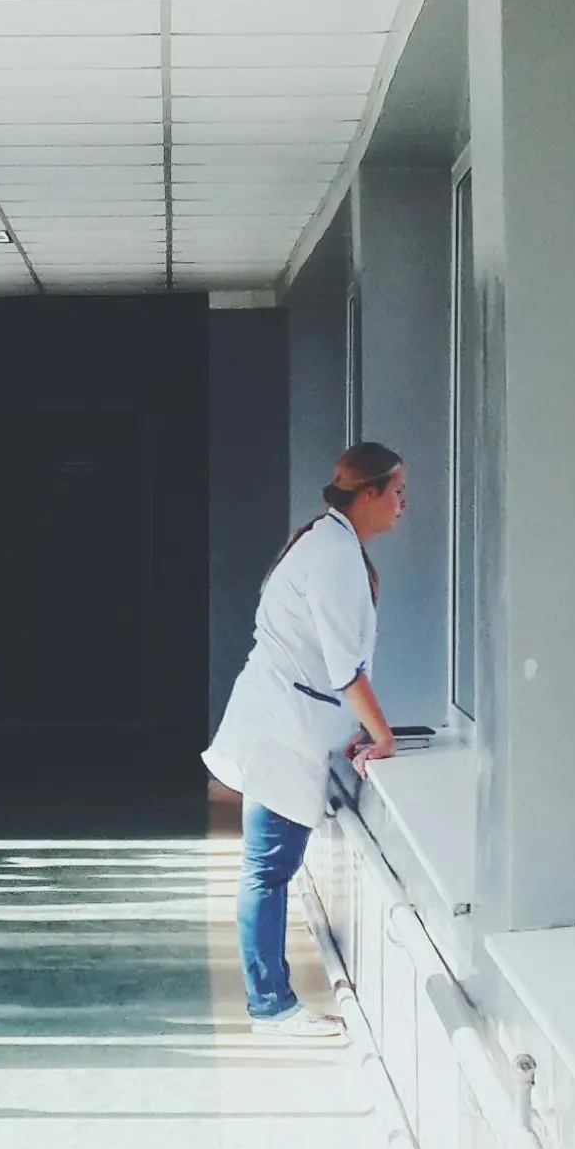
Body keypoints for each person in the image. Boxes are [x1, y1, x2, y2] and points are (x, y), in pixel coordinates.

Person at [205, 442, 405, 1038]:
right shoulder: (336, 556)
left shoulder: (329, 542)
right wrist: (383, 738)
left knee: (267, 868)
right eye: (396, 492)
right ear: (366, 494)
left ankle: (271, 1000)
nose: (403, 505)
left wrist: (357, 730)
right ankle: (270, 1006)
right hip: (278, 730)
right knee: (267, 870)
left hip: (282, 721)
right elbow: (345, 668)